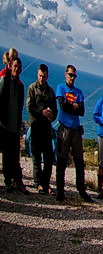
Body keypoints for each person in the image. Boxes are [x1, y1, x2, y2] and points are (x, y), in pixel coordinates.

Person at [56, 64, 93, 202]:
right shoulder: (60, 88)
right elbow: (62, 106)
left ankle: (82, 190)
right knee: (62, 160)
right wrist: (74, 106)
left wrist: (71, 106)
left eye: (74, 75)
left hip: (76, 130)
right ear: (65, 74)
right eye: (70, 75)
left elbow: (82, 111)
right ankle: (60, 192)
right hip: (64, 128)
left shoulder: (78, 92)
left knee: (79, 161)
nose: (72, 78)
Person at [27, 64, 57, 194]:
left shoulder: (51, 91)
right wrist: (41, 112)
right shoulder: (32, 88)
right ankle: (37, 183)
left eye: (44, 76)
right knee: (36, 157)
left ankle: (45, 183)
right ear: (37, 75)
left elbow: (55, 109)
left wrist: (52, 116)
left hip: (46, 128)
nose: (41, 79)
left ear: (47, 76)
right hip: (35, 126)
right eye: (40, 76)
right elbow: (29, 106)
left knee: (49, 157)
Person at [1, 55, 28, 194]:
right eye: (15, 66)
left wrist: (18, 123)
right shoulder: (4, 81)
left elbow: (20, 106)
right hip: (3, 125)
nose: (16, 69)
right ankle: (7, 181)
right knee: (6, 154)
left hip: (14, 125)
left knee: (14, 155)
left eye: (19, 68)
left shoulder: (20, 86)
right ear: (10, 66)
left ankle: (17, 181)